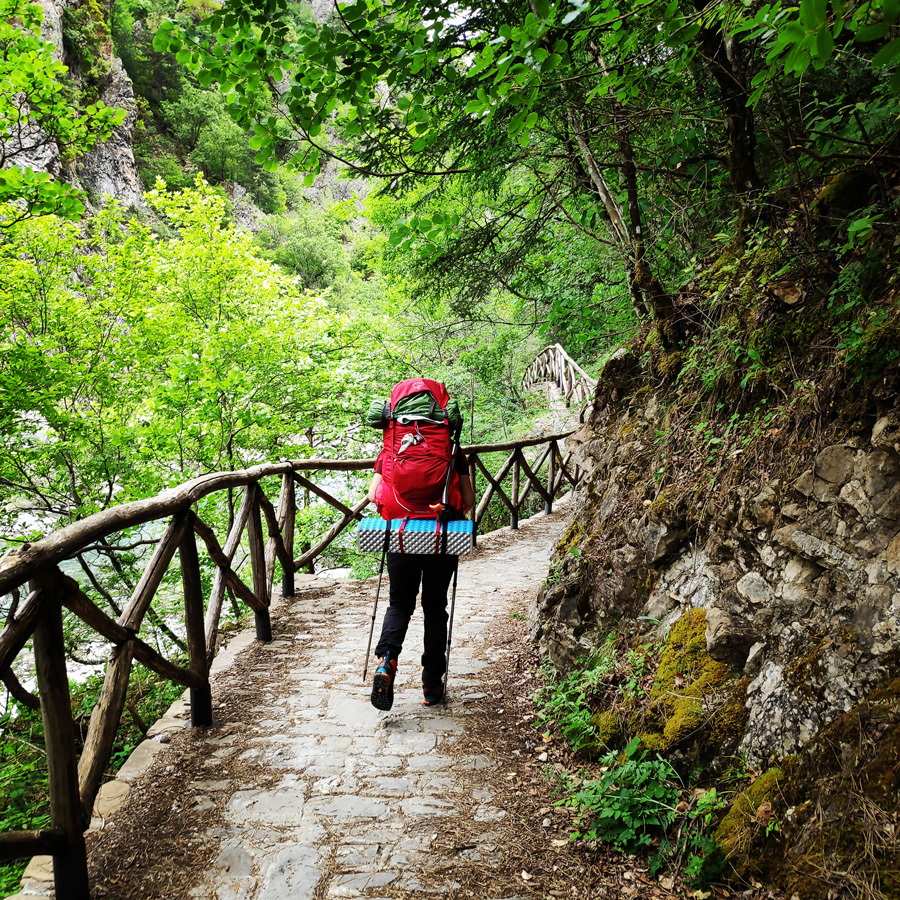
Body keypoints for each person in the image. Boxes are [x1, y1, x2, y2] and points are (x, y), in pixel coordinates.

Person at [367, 445, 475, 710]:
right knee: (435, 607)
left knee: (399, 604)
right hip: (441, 536)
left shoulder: (391, 448)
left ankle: (387, 661)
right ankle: (431, 684)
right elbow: (469, 500)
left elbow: (373, 495)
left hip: (401, 535)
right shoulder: (452, 449)